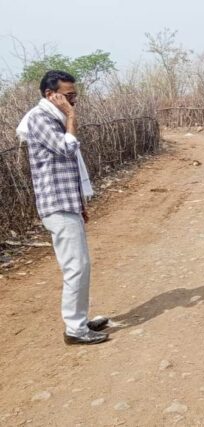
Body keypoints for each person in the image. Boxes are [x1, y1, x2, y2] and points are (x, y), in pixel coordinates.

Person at [16, 70, 109, 345]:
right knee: (76, 267)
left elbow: (67, 167)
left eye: (75, 96)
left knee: (80, 265)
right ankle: (75, 329)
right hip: (56, 204)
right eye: (69, 96)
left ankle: (78, 320)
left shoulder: (53, 118)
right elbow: (67, 150)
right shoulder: (41, 118)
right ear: (50, 95)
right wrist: (70, 117)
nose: (73, 102)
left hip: (67, 203)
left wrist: (80, 204)